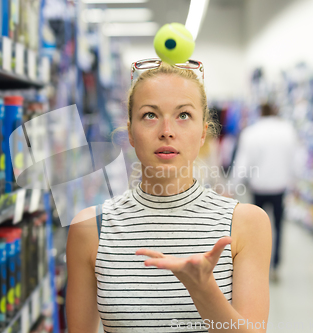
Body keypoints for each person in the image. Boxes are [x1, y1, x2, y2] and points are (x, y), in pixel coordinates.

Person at [65, 59, 272, 333]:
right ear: (130, 133)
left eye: (183, 115)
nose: (166, 131)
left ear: (202, 134)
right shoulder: (91, 228)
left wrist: (203, 290)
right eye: (150, 115)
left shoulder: (245, 224)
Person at [231, 103, 298, 283]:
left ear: (260, 112)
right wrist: (295, 181)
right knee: (278, 227)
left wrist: (233, 186)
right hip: (279, 186)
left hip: (258, 187)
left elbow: (242, 162)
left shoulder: (251, 133)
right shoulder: (287, 131)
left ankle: (256, 266)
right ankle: (275, 266)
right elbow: (294, 158)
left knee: (255, 230)